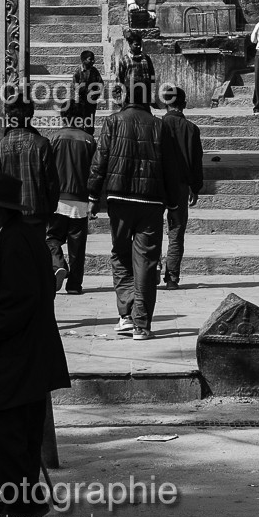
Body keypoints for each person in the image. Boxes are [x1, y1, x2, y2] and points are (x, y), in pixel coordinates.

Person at [0, 169, 70, 517]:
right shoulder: (16, 236)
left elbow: (17, 304)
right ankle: (20, 499)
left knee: (0, 428)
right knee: (17, 430)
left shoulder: (16, 242)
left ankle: (23, 504)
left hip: (18, 355)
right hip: (23, 353)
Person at [87, 93, 171, 339]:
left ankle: (125, 315)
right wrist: (174, 202)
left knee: (121, 253)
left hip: (119, 198)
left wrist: (93, 196)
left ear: (125, 98)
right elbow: (170, 165)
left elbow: (100, 159)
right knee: (146, 261)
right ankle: (141, 325)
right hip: (151, 200)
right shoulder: (159, 125)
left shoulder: (113, 121)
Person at [0, 99, 60, 237]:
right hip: (36, 211)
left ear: (8, 117)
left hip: (9, 214)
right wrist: (50, 209)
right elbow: (52, 183)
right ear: (30, 116)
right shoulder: (41, 144)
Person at [47, 108, 96, 295]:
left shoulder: (54, 138)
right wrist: (94, 199)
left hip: (57, 198)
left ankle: (58, 263)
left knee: (51, 238)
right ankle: (75, 285)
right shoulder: (89, 140)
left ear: (63, 117)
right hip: (81, 199)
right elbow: (95, 171)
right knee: (77, 245)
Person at [160, 88, 204, 290]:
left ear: (165, 104)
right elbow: (196, 162)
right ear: (184, 104)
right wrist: (195, 188)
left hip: (157, 185)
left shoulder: (158, 125)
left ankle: (151, 271)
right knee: (176, 232)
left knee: (150, 230)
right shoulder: (191, 129)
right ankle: (172, 278)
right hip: (180, 187)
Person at [117, 31, 156, 109]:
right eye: (136, 45)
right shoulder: (124, 60)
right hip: (129, 94)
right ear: (130, 45)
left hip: (144, 92)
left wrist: (152, 90)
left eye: (139, 44)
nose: (138, 46)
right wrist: (119, 95)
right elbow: (119, 78)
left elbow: (152, 75)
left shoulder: (146, 58)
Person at [71, 49, 105, 131]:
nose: (93, 61)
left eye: (93, 59)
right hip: (80, 102)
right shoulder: (78, 72)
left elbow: (100, 84)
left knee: (89, 125)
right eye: (90, 59)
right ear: (83, 60)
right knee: (79, 124)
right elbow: (75, 86)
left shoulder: (94, 71)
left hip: (91, 103)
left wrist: (95, 94)